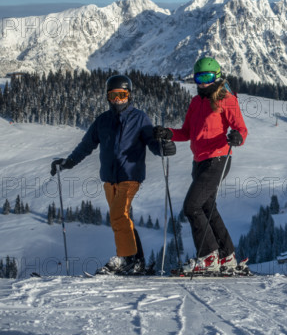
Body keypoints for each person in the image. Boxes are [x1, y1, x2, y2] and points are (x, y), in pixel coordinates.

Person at [50, 74, 176, 275]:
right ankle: (137, 261)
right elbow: (86, 145)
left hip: (130, 175)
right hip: (109, 180)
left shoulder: (139, 118)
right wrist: (68, 163)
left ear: (130, 95)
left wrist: (163, 147)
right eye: (113, 96)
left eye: (122, 95)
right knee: (123, 218)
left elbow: (153, 143)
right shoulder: (103, 121)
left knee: (118, 215)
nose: (118, 100)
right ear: (107, 97)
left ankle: (125, 259)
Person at [153, 57, 248, 274]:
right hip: (199, 162)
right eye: (198, 78)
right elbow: (187, 133)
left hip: (218, 159)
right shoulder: (196, 103)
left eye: (207, 77)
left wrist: (237, 138)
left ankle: (207, 256)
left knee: (192, 206)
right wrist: (168, 133)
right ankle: (227, 255)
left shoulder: (227, 99)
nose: (203, 83)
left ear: (217, 76)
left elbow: (241, 129)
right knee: (207, 207)